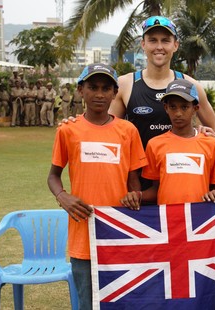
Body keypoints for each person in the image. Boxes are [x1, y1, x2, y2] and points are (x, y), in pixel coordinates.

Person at [47, 63, 147, 310]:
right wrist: (63, 196)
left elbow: (134, 182)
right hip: (83, 233)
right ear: (81, 90)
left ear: (115, 93)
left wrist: (135, 196)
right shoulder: (68, 130)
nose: (99, 94)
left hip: (119, 233)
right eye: (93, 87)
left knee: (122, 299)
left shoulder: (128, 130)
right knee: (87, 301)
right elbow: (53, 176)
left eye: (106, 88)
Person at [109, 16, 215, 149]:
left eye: (165, 41)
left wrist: (200, 132)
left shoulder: (191, 85)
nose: (159, 47)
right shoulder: (125, 84)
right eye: (153, 40)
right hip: (138, 169)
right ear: (143, 44)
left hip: (177, 167)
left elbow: (214, 129)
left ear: (175, 45)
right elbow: (109, 130)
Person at [121, 79, 215, 209]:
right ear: (166, 108)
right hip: (167, 222)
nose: (178, 113)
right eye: (173, 107)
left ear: (195, 108)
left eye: (184, 107)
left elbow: (213, 186)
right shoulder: (155, 144)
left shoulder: (210, 143)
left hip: (200, 220)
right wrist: (137, 195)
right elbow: (156, 189)